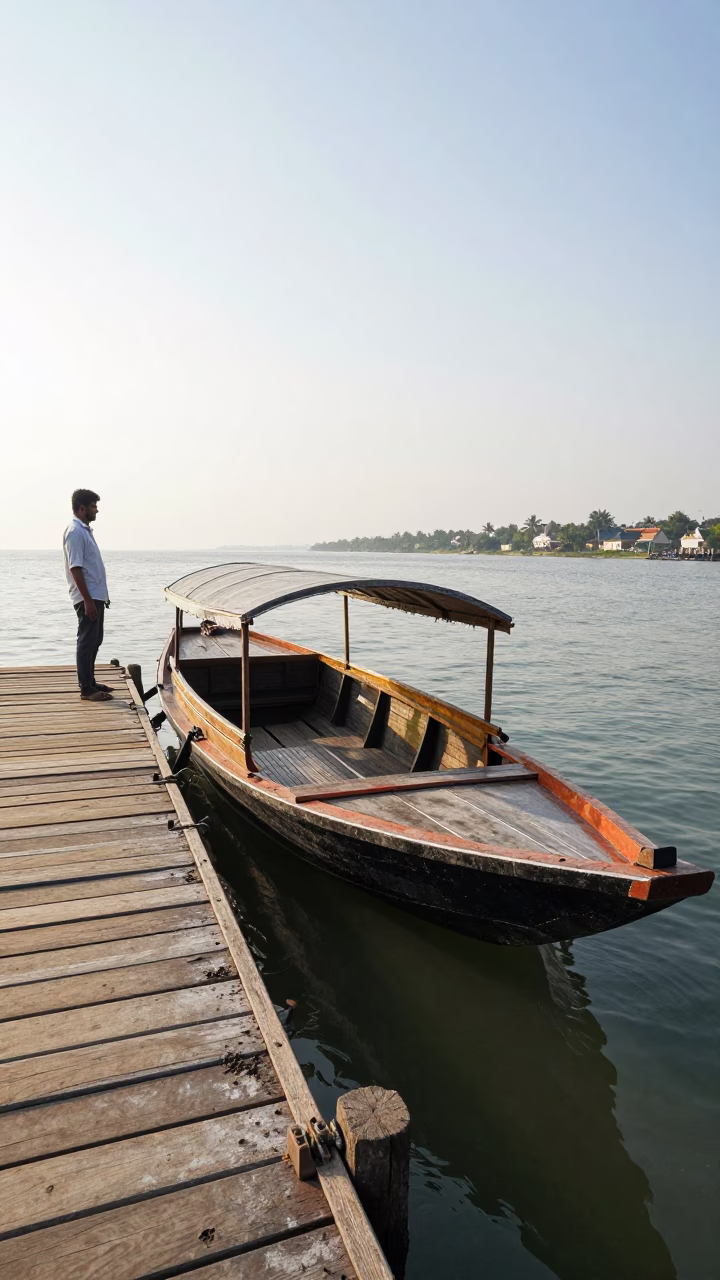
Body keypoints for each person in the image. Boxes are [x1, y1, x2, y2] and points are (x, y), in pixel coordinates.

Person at [63, 488, 113, 701]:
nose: (97, 510)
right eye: (93, 506)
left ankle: (90, 682)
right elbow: (75, 568)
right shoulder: (75, 532)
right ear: (82, 508)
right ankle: (86, 689)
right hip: (88, 597)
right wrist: (87, 600)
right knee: (87, 640)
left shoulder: (84, 531)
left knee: (95, 639)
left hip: (95, 595)